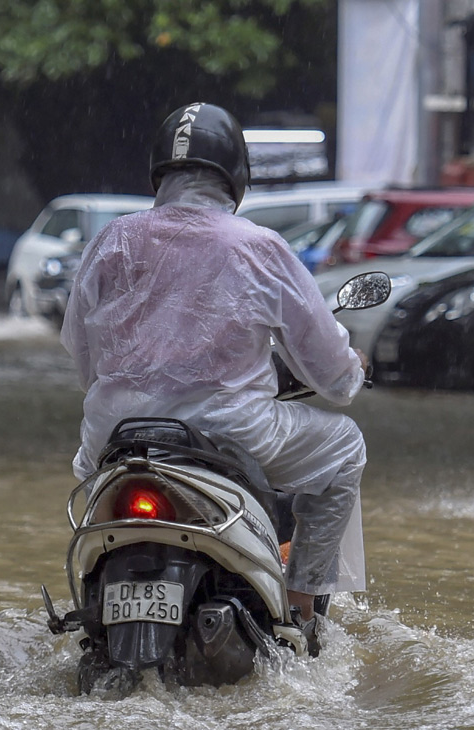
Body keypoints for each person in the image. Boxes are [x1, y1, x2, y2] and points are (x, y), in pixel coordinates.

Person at [61, 102, 370, 657]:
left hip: (116, 440)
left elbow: (84, 359)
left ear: (160, 171)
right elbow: (333, 375)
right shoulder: (258, 247)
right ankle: (301, 613)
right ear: (236, 175)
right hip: (229, 437)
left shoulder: (112, 241)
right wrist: (354, 370)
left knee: (86, 480)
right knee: (345, 446)